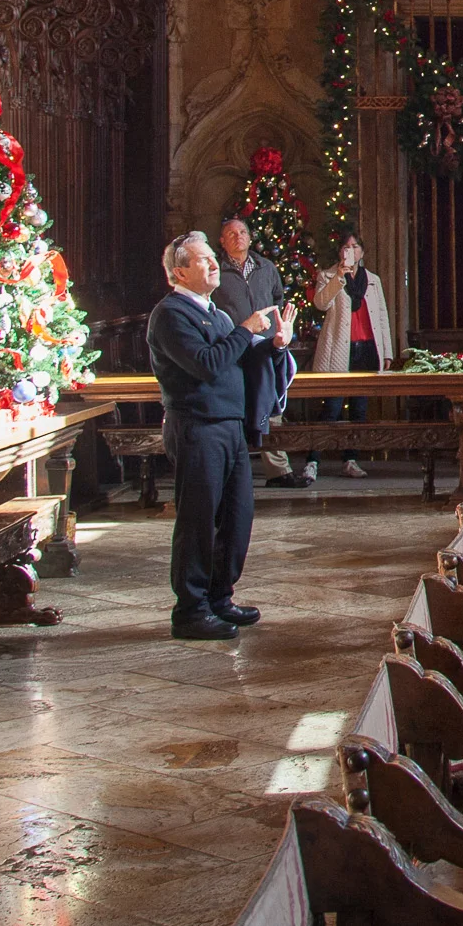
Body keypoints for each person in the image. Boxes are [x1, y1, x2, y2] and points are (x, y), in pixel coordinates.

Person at [147, 232, 293, 640]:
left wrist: (275, 345)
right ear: (179, 272)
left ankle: (219, 598)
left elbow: (241, 359)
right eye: (202, 260)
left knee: (236, 517)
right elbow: (207, 364)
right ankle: (190, 610)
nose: (214, 265)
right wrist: (247, 329)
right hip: (197, 427)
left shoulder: (217, 314)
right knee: (198, 520)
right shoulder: (171, 314)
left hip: (228, 427)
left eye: (213, 258)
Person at [216, 218, 307, 491]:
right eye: (231, 234)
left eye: (242, 232)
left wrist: (273, 328)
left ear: (250, 237)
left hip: (265, 347)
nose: (237, 237)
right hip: (232, 346)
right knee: (234, 406)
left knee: (269, 405)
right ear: (222, 241)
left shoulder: (266, 267)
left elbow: (278, 297)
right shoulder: (216, 271)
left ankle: (278, 470)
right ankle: (233, 469)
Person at [308, 230, 391, 479]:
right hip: (339, 349)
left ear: (362, 252)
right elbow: (321, 303)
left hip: (366, 348)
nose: (351, 251)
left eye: (355, 247)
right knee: (331, 407)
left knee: (359, 409)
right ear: (340, 252)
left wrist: (386, 350)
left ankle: (350, 459)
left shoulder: (372, 279)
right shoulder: (328, 275)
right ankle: (313, 460)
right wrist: (339, 278)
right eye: (346, 247)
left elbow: (382, 317)